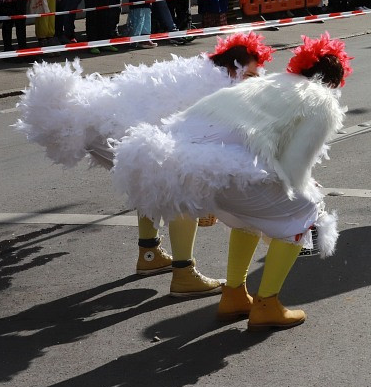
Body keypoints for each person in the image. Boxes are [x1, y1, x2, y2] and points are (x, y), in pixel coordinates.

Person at [111, 33, 351, 328]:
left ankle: (234, 294)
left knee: (249, 216)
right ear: (335, 83)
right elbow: (294, 169)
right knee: (306, 211)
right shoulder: (322, 99)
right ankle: (267, 304)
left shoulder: (271, 83)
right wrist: (302, 202)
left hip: (181, 165)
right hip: (221, 171)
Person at [17, 31, 274, 295]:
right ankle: (184, 275)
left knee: (149, 172)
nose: (252, 83)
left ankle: (149, 254)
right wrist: (207, 204)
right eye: (250, 75)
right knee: (181, 183)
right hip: (113, 130)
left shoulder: (203, 74)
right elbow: (192, 154)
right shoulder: (215, 88)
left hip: (101, 125)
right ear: (233, 67)